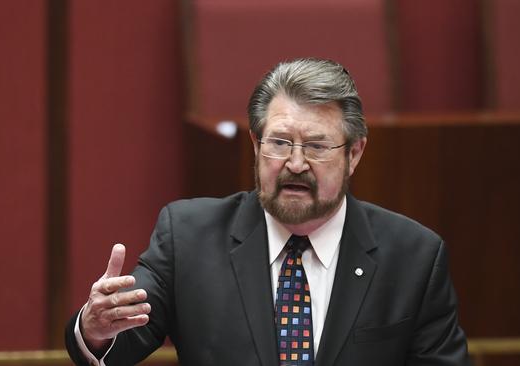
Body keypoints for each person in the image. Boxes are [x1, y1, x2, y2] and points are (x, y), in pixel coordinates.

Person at [65, 58, 470, 366]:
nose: (295, 163)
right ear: (257, 145)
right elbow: (121, 340)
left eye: (316, 146)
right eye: (279, 142)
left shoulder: (413, 256)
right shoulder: (188, 236)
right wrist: (96, 328)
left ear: (354, 153)